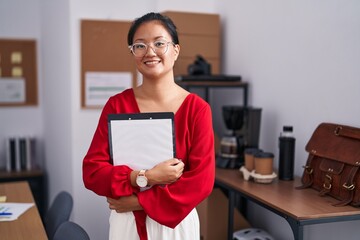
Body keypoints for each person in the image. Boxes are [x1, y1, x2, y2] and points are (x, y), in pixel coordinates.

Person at [82, 12, 215, 240]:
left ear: (176, 50)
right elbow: (92, 172)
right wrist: (145, 177)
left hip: (176, 226)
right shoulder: (117, 105)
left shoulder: (197, 109)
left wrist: (138, 201)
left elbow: (201, 182)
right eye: (140, 45)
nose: (150, 52)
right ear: (133, 53)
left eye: (159, 43)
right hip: (127, 225)